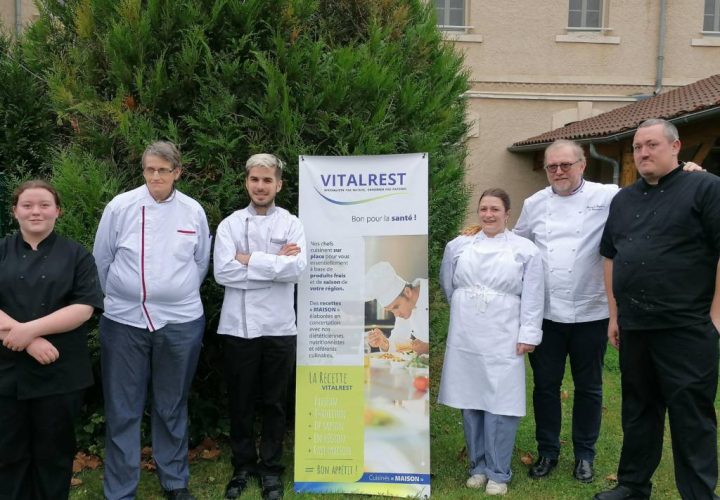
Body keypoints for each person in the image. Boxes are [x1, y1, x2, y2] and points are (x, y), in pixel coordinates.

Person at [596, 118, 720, 500]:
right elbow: (610, 257)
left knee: (690, 415)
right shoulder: (624, 199)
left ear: (675, 146)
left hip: (687, 325)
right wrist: (615, 316)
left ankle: (699, 493)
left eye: (651, 145)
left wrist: (716, 315)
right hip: (636, 324)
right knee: (638, 409)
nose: (643, 153)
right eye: (637, 147)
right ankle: (633, 485)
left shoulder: (705, 187)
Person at [93, 141, 211, 500]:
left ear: (178, 172)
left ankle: (175, 481)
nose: (155, 176)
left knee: (171, 403)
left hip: (180, 321)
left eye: (163, 170)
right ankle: (120, 490)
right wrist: (120, 296)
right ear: (143, 171)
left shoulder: (193, 211)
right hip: (124, 321)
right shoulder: (121, 207)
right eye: (149, 169)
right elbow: (102, 259)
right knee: (123, 408)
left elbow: (200, 263)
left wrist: (175, 291)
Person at [513, 139, 617, 483]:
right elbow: (517, 244)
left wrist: (689, 171)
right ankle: (547, 451)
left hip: (592, 310)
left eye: (565, 165)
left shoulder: (608, 196)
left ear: (582, 164)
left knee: (589, 387)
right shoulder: (534, 203)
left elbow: (652, 195)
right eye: (551, 167)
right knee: (545, 386)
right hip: (546, 314)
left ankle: (585, 454)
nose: (558, 172)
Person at [0, 180, 104, 500]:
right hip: (6, 371)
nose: (36, 211)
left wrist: (29, 331)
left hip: (60, 371)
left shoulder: (77, 255)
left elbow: (84, 308)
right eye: (28, 205)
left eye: (44, 205)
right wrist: (28, 340)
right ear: (15, 211)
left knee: (54, 454)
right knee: (7, 453)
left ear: (57, 211)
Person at [438, 188, 544, 496]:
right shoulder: (458, 246)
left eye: (495, 209)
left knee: (501, 402)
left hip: (504, 334)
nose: (488, 214)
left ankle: (499, 471)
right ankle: (478, 466)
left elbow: (534, 296)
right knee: (471, 400)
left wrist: (528, 333)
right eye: (483, 208)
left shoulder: (525, 250)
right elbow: (449, 285)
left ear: (507, 213)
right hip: (467, 334)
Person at [214, 153, 306, 500]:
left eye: (268, 180)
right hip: (239, 326)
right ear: (246, 182)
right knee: (240, 401)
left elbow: (297, 270)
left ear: (279, 185)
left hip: (280, 326)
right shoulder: (230, 224)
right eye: (255, 179)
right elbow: (223, 273)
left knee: (275, 402)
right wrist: (275, 265)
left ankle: (270, 468)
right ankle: (242, 466)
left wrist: (248, 259)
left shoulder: (292, 224)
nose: (261, 186)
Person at [364, 261, 429, 355]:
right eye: (391, 311)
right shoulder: (407, 308)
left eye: (396, 307)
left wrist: (428, 348)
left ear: (407, 292)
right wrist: (384, 343)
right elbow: (400, 339)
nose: (396, 314)